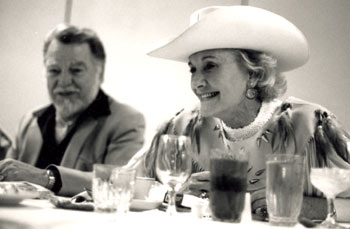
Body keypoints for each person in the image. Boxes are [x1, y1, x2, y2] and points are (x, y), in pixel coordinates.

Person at [134, 6, 350, 221]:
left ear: (254, 75)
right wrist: (178, 195)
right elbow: (125, 184)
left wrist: (299, 205)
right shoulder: (182, 127)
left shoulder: (311, 127)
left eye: (210, 66)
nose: (196, 82)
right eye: (193, 69)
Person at [0, 24, 145, 197]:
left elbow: (120, 183)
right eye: (54, 70)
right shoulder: (29, 121)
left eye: (76, 70)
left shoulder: (125, 121)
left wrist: (46, 178)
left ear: (100, 73)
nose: (64, 81)